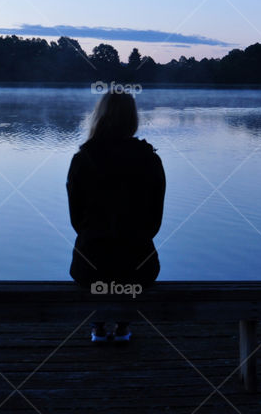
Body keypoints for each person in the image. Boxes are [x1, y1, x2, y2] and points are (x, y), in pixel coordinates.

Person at [67, 91, 165, 343]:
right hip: (140, 267)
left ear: (99, 117)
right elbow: (154, 222)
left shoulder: (82, 159)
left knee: (99, 259)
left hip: (89, 267)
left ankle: (99, 326)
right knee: (128, 260)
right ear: (133, 119)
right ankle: (122, 326)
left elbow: (77, 221)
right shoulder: (150, 160)